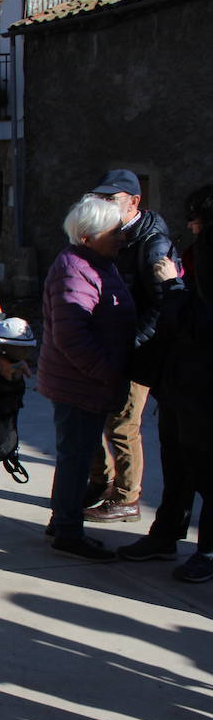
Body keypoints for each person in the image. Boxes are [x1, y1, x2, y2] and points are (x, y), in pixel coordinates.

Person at [118, 186, 213, 581]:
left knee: (204, 467)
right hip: (182, 380)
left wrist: (172, 285)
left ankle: (206, 551)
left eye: (195, 219)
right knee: (178, 461)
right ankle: (166, 535)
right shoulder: (198, 250)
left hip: (201, 385)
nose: (190, 226)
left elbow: (198, 324)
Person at [37, 196, 136, 561]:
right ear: (87, 237)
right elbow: (72, 337)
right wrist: (106, 372)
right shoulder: (74, 269)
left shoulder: (96, 263)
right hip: (79, 383)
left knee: (76, 457)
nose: (122, 237)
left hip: (86, 381)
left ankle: (63, 521)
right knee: (75, 459)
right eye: (114, 232)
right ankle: (67, 531)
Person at [82, 170, 177, 525]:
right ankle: (101, 482)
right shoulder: (113, 234)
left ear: (134, 201)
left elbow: (162, 304)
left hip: (136, 352)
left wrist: (132, 342)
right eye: (100, 198)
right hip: (110, 346)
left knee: (122, 424)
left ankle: (126, 498)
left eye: (112, 199)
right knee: (96, 416)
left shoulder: (153, 243)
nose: (104, 205)